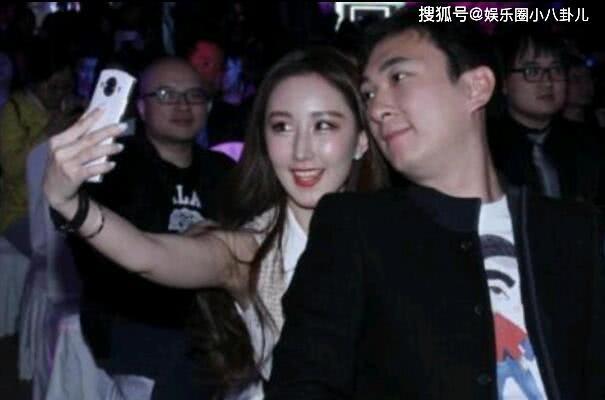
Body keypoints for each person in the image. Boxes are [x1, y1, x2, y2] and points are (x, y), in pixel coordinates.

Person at [265, 10, 605, 400]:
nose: (376, 109)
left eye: (398, 78)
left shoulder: (573, 229)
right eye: (369, 94)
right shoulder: (357, 228)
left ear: (476, 87)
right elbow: (303, 380)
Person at [43, 48, 389, 398]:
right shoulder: (250, 251)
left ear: (361, 140)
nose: (301, 151)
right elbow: (148, 254)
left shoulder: (396, 234)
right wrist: (70, 204)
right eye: (282, 127)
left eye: (323, 125)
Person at [55, 57, 235, 400]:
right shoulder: (112, 168)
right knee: (192, 361)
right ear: (140, 107)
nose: (183, 105)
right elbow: (93, 258)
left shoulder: (223, 171)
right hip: (135, 316)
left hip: (211, 315)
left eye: (195, 95)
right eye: (166, 94)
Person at [488, 24, 604, 207]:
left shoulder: (589, 143)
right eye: (532, 71)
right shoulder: (487, 149)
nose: (548, 82)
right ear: (504, 82)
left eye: (556, 70)